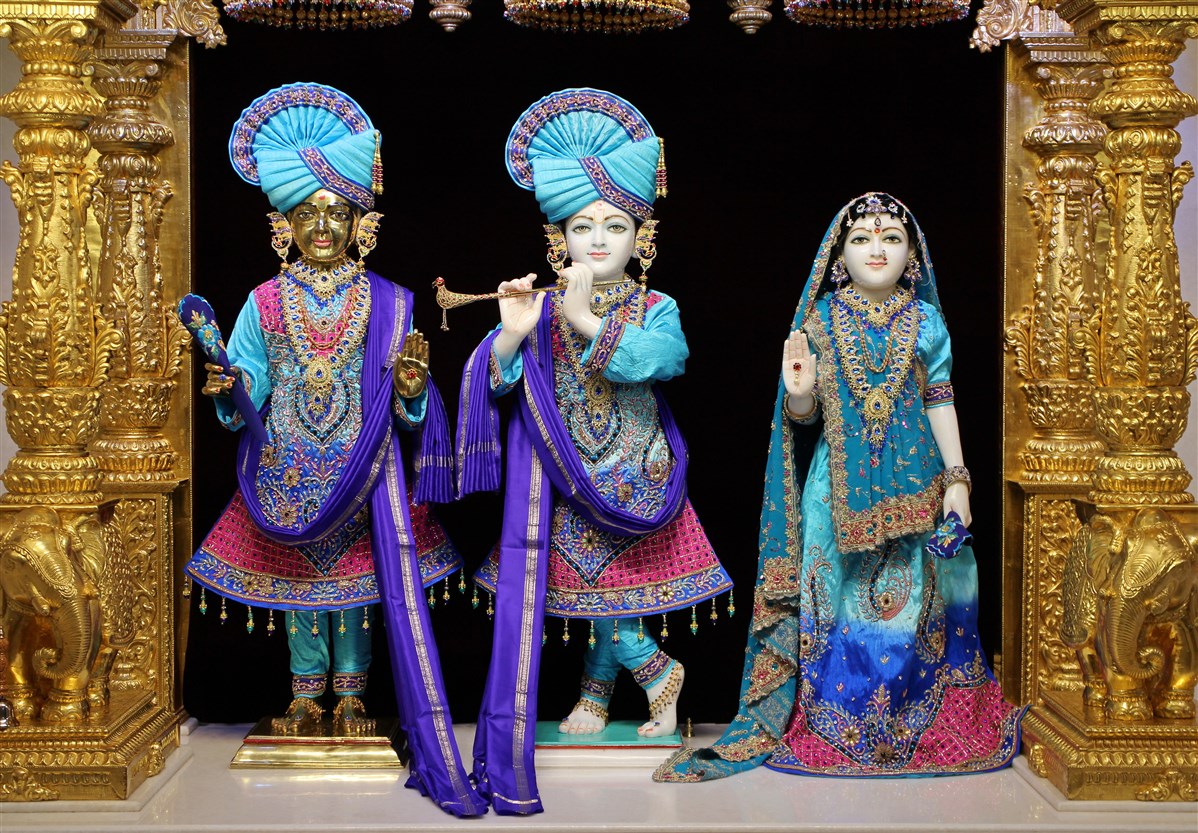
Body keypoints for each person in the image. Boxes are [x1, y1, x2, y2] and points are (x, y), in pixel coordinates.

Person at [186, 83, 486, 817]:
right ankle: (302, 695)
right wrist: (229, 385)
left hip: (364, 471)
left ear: (361, 223)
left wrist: (411, 389)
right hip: (287, 469)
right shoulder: (262, 301)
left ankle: (352, 699)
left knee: (357, 589)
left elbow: (409, 404)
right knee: (300, 589)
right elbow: (248, 382)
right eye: (307, 213)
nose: (322, 227)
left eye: (337, 213)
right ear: (283, 223)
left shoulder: (391, 300)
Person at [655, 192, 1021, 782]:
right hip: (836, 495)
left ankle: (908, 726)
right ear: (838, 255)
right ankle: (839, 727)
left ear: (912, 254)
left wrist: (958, 480)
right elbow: (803, 421)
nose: (877, 249)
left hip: (918, 489)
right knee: (837, 608)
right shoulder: (820, 322)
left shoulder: (927, 322)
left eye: (891, 238)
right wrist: (800, 394)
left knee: (914, 610)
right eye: (861, 238)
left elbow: (939, 397)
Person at [455, 88, 731, 814]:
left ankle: (649, 675)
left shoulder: (656, 305)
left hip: (636, 476)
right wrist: (512, 333)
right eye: (583, 227)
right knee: (591, 589)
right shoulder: (541, 305)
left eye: (615, 224)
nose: (599, 240)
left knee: (616, 587)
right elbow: (496, 383)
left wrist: (584, 319)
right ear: (561, 240)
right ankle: (603, 691)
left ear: (642, 235)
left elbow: (663, 360)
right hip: (563, 477)